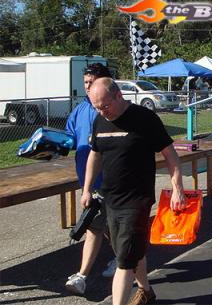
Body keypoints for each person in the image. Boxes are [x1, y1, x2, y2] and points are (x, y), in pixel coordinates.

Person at [81, 77, 186, 305]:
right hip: (109, 199)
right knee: (130, 252)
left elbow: (171, 155)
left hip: (137, 201)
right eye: (96, 107)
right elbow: (95, 155)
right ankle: (146, 291)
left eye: (105, 106)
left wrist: (177, 188)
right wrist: (87, 189)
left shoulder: (145, 119)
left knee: (124, 260)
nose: (102, 111)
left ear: (119, 95)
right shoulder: (100, 120)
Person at [65, 63, 116, 295]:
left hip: (113, 181)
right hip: (88, 182)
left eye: (91, 82)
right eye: (85, 83)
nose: (87, 87)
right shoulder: (79, 110)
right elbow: (69, 139)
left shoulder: (111, 109)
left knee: (98, 227)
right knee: (101, 227)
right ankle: (124, 260)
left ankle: (83, 275)